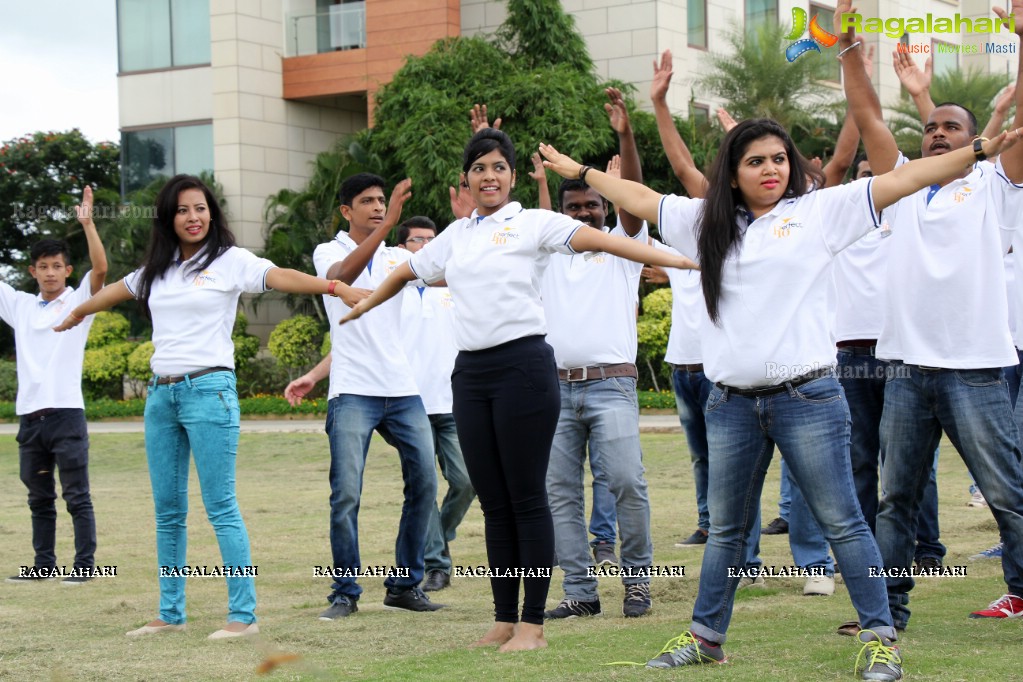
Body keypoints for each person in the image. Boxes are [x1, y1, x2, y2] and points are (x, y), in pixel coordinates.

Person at [540, 109, 1018, 679]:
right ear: (733, 171)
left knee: (844, 521)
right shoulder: (703, 223)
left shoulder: (819, 211)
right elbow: (640, 198)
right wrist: (584, 171)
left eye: (779, 158)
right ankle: (706, 637)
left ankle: (881, 638)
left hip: (809, 399)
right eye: (755, 161)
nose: (770, 169)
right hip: (731, 404)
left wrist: (978, 152)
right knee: (726, 530)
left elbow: (905, 180)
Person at [340, 128, 691, 652]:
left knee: (528, 499)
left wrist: (676, 260)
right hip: (471, 375)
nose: (489, 177)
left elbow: (601, 239)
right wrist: (367, 301)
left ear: (510, 176)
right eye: (479, 168)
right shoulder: (457, 236)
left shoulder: (533, 223)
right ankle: (504, 618)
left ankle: (533, 624)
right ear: (467, 179)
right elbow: (410, 270)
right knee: (495, 503)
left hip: (524, 369)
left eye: (498, 168)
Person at [54, 174, 366, 639]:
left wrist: (335, 288)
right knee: (168, 510)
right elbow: (115, 290)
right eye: (183, 210)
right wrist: (79, 311)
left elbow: (280, 276)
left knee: (220, 505)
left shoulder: (230, 261)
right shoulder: (156, 271)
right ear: (169, 218)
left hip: (209, 391)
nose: (193, 217)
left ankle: (243, 616)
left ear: (211, 214)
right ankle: (169, 612)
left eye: (200, 208)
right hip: (161, 396)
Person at [839, 0, 1023, 627]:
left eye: (951, 128)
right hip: (906, 373)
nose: (937, 134)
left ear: (974, 141)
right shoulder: (904, 187)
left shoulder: (995, 184)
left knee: (1008, 498)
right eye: (930, 127)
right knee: (896, 500)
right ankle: (888, 611)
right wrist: (847, 51)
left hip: (976, 370)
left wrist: (1021, 38)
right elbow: (866, 117)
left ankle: (1020, 589)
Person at [283, 173, 441, 620]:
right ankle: (345, 593)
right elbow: (340, 277)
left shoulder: (397, 256)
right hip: (353, 391)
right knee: (347, 494)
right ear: (346, 212)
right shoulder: (328, 251)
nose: (376, 207)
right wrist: (390, 221)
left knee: (425, 484)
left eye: (381, 201)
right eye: (367, 202)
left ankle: (405, 585)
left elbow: (447, 274)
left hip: (403, 390)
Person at [542, 88, 667, 621]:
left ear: (604, 211)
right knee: (560, 494)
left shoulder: (620, 248)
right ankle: (581, 592)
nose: (583, 214)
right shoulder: (547, 254)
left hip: (610, 385)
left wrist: (626, 135)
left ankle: (637, 583)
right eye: (573, 209)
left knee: (625, 483)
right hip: (555, 388)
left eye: (591, 207)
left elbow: (635, 199)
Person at [2, 187, 106, 584]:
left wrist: (87, 223)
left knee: (77, 496)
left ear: (66, 270)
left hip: (66, 414)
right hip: (30, 418)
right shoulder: (21, 306)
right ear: (32, 271)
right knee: (38, 498)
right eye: (42, 266)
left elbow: (99, 271)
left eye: (56, 266)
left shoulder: (79, 303)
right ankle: (43, 566)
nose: (49, 272)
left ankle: (85, 568)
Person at [396, 216, 475, 593]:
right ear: (402, 247)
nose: (426, 246)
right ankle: (436, 564)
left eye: (432, 240)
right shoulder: (394, 291)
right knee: (424, 485)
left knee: (466, 481)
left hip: (454, 402)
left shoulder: (455, 286)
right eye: (417, 241)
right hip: (410, 405)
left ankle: (438, 537)